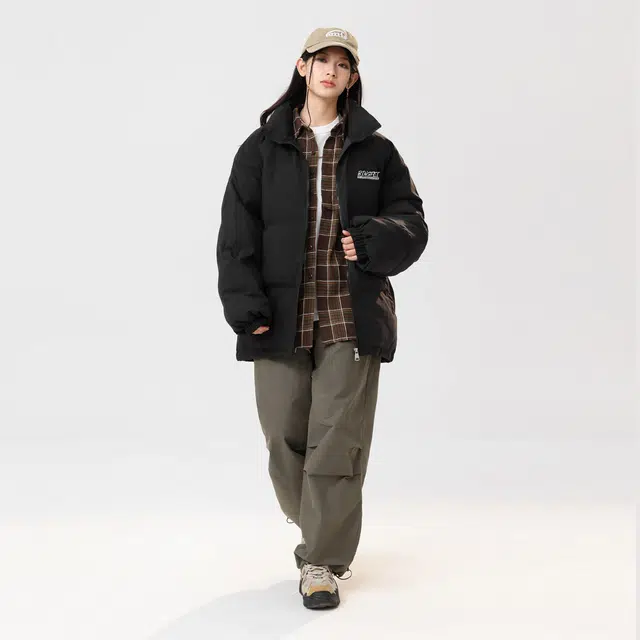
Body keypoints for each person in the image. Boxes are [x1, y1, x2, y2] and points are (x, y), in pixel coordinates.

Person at [216, 27, 429, 610]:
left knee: (336, 441)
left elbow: (412, 223)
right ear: (303, 67)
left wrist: (373, 239)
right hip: (278, 317)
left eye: (343, 63)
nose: (331, 70)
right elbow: (236, 234)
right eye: (322, 60)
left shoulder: (377, 152)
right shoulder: (261, 149)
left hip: (349, 315)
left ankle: (321, 562)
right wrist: (245, 308)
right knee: (283, 438)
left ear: (353, 77)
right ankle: (317, 525)